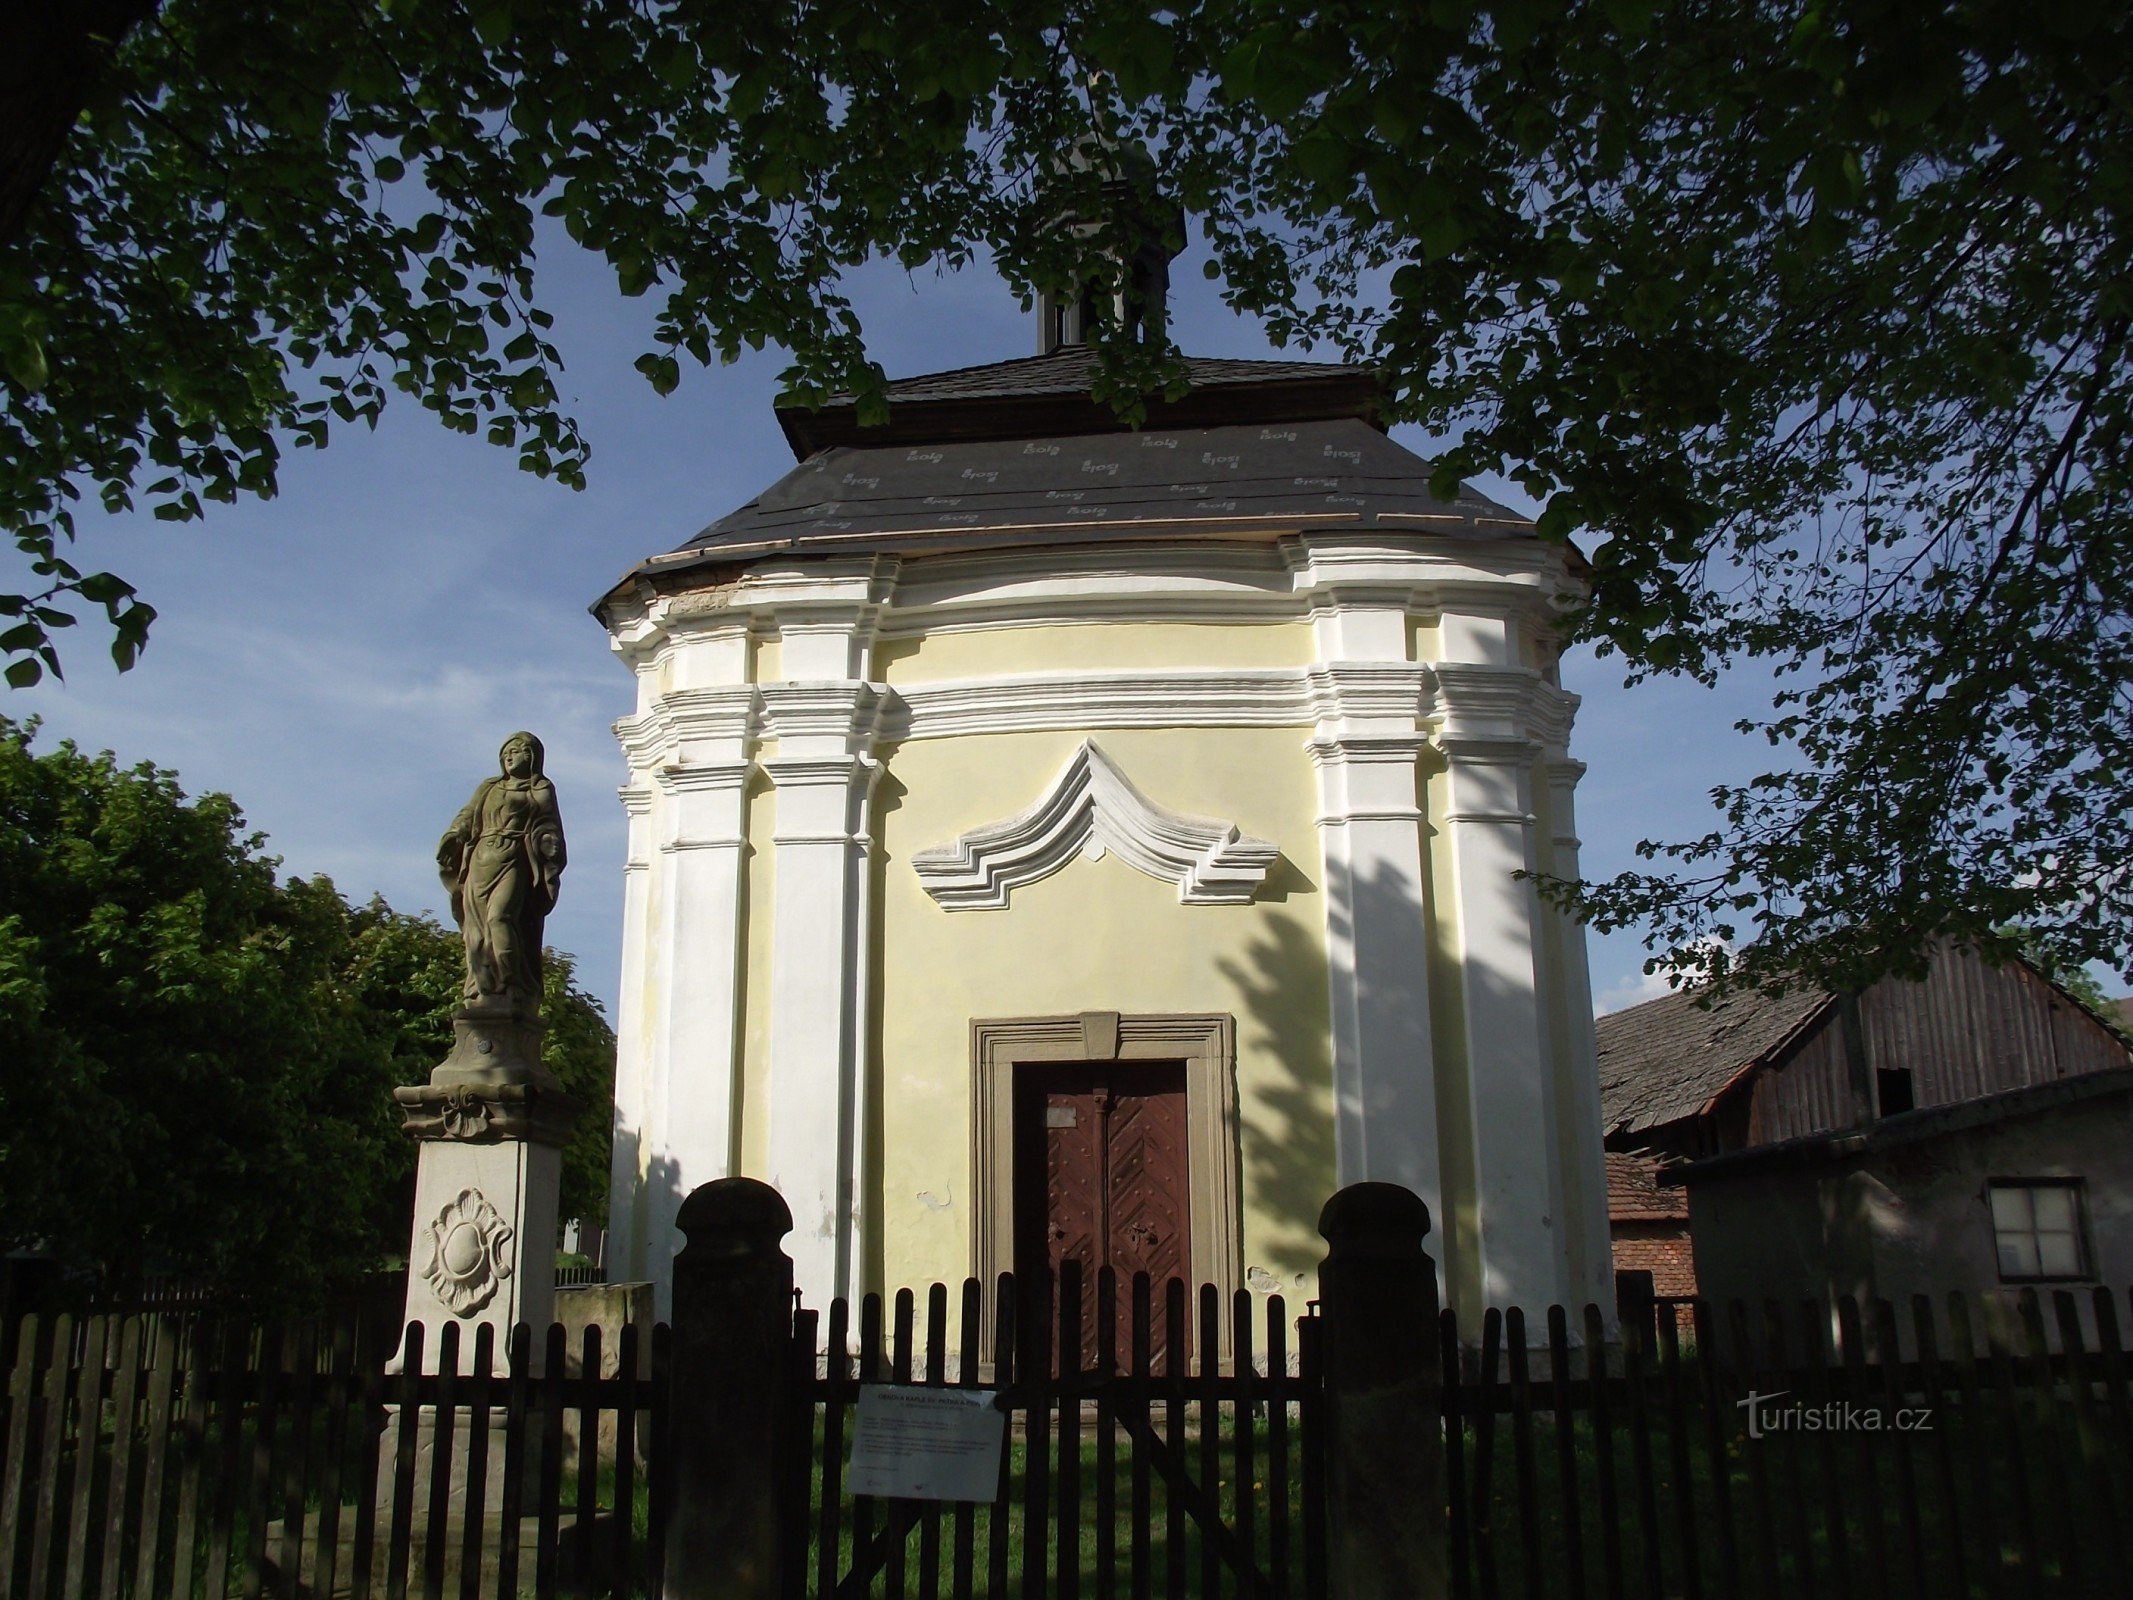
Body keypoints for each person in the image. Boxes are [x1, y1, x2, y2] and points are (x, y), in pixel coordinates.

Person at [437, 731, 566, 1011]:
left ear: (531, 756)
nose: (510, 755)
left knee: (500, 917)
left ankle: (511, 982)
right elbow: (468, 814)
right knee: (476, 929)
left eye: (517, 750)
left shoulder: (540, 788)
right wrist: (457, 832)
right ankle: (483, 986)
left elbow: (547, 823)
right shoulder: (489, 787)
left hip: (514, 858)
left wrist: (548, 842)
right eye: (506, 751)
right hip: (481, 859)